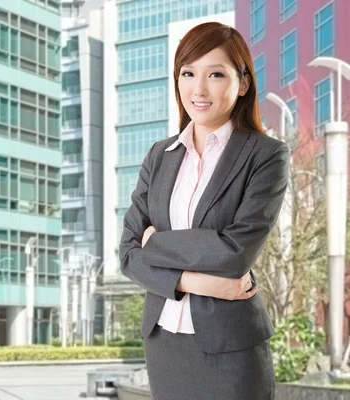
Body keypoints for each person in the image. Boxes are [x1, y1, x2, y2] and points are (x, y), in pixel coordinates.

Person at [119, 22, 289, 400]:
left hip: (230, 348)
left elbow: (233, 254)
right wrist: (200, 283)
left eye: (215, 74)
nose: (198, 89)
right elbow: (129, 254)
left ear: (242, 82)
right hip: (164, 341)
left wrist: (156, 242)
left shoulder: (265, 156)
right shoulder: (159, 156)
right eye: (188, 73)